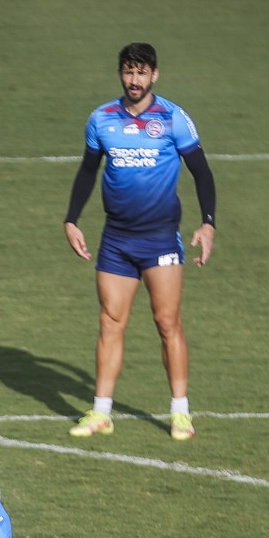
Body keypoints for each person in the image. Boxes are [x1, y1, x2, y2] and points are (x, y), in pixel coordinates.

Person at [63, 41, 217, 442]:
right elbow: (87, 172)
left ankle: (180, 412)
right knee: (110, 323)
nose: (135, 80)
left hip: (161, 238)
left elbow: (202, 171)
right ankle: (101, 413)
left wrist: (208, 223)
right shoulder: (102, 119)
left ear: (154, 75)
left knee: (167, 322)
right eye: (128, 72)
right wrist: (72, 219)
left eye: (142, 72)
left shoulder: (172, 118)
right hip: (116, 239)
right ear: (121, 74)